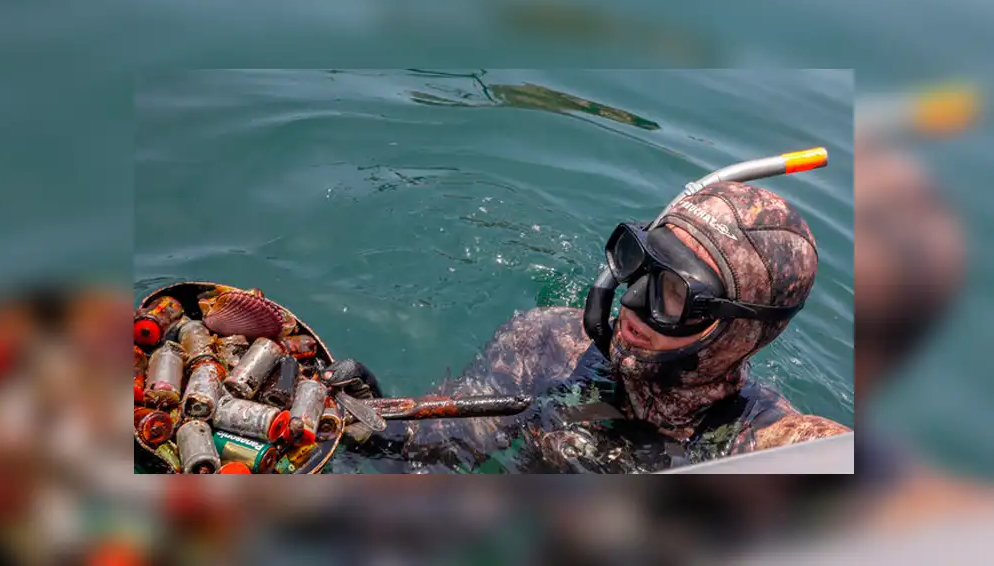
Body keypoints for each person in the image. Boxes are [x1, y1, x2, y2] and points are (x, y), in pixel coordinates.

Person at [329, 180, 852, 473]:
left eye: (673, 294)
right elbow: (446, 449)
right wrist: (374, 429)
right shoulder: (547, 345)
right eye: (639, 266)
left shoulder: (756, 443)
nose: (633, 302)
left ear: (735, 333)